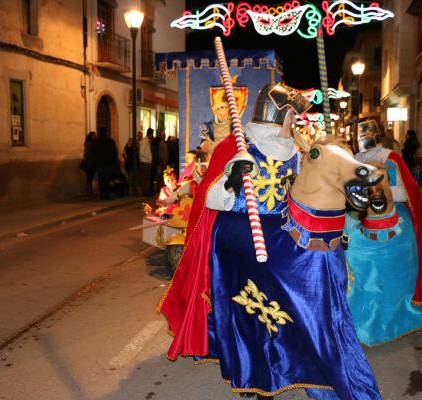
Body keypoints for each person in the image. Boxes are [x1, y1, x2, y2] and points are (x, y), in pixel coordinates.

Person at [159, 83, 382, 400]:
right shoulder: (239, 147)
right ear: (281, 114)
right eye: (293, 116)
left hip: (278, 232)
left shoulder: (296, 149)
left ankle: (302, 351)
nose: (297, 123)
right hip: (238, 233)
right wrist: (232, 179)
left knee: (292, 290)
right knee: (250, 309)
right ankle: (252, 370)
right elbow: (210, 198)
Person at [345, 119, 422, 344]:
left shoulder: (391, 158)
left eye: (363, 134)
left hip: (395, 225)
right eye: (356, 134)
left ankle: (392, 319)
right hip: (359, 221)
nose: (360, 138)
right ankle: (356, 321)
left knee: (395, 275)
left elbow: (406, 192)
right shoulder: (351, 160)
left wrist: (381, 191)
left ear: (376, 134)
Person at [92, 129, 118, 200]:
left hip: (99, 164)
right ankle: (107, 195)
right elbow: (114, 152)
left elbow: (93, 152)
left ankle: (102, 195)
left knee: (101, 180)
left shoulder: (96, 142)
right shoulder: (110, 141)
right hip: (108, 164)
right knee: (107, 180)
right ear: (106, 133)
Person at [139, 129, 153, 196]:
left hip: (147, 162)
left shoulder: (147, 141)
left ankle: (146, 191)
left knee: (147, 177)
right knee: (145, 178)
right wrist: (148, 158)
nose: (152, 136)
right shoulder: (145, 141)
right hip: (145, 162)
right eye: (152, 134)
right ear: (150, 134)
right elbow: (141, 152)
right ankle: (145, 191)